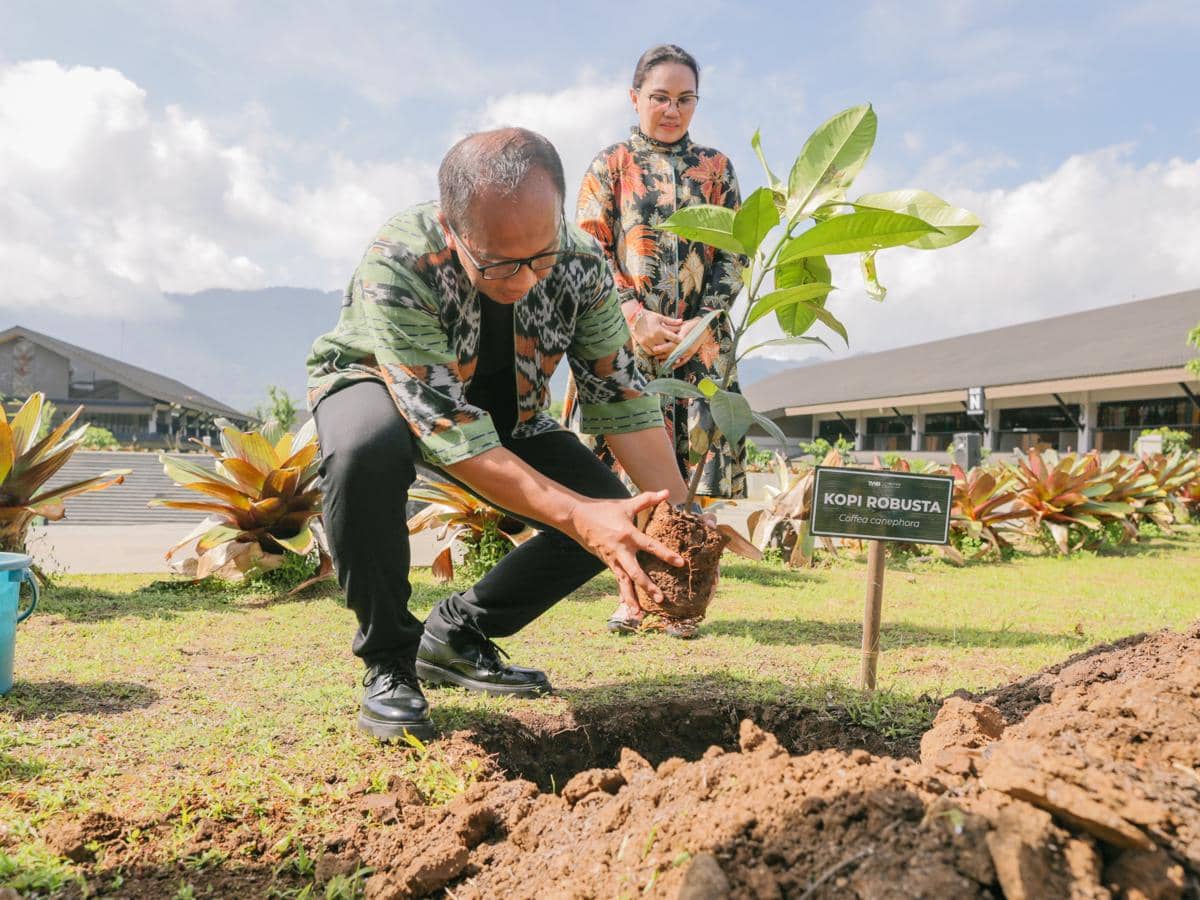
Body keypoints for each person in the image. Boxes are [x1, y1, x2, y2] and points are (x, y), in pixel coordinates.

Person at [306, 127, 696, 742]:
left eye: (540, 257)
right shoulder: (399, 257)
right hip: (378, 386)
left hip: (508, 412)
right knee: (363, 453)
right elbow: (449, 430)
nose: (523, 280)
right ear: (451, 223)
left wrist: (681, 523)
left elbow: (620, 399)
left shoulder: (583, 267)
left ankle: (457, 634)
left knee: (613, 512)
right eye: (497, 262)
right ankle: (389, 661)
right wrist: (579, 516)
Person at [575, 44, 747, 637]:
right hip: (624, 349)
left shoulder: (718, 169)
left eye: (684, 99)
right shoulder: (608, 167)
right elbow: (588, 254)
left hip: (698, 350)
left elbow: (735, 254)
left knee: (685, 482)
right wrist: (632, 317)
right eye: (659, 98)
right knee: (633, 484)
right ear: (635, 98)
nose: (672, 110)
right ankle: (631, 597)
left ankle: (678, 601)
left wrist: (703, 324)